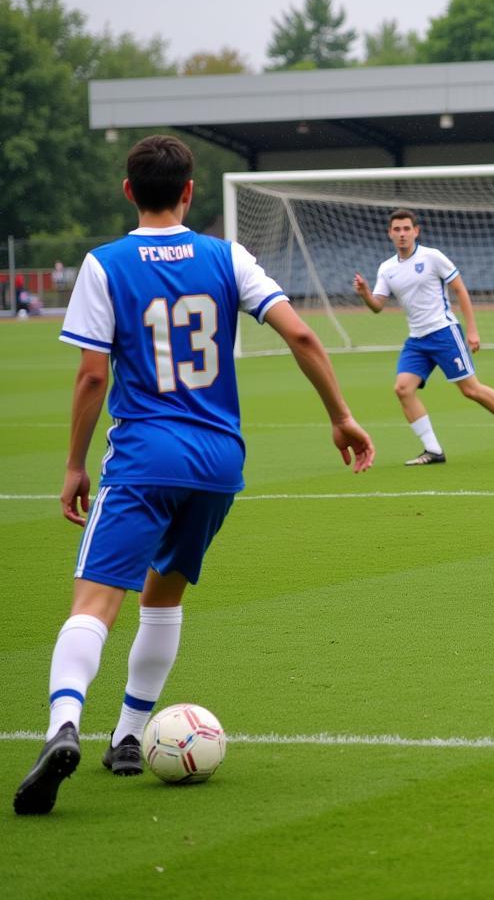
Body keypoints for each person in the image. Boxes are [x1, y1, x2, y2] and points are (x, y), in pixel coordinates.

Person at [13, 135, 375, 817]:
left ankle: (64, 723)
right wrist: (342, 416)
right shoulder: (225, 255)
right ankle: (126, 735)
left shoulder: (105, 264)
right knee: (164, 596)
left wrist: (72, 465)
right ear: (189, 192)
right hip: (219, 461)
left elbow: (93, 374)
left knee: (95, 605)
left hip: (145, 457)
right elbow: (300, 334)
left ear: (127, 191)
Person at [353, 209, 494, 465]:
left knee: (471, 390)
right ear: (390, 233)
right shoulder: (387, 268)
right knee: (403, 389)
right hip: (417, 340)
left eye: (407, 228)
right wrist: (364, 294)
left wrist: (472, 330)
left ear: (416, 231)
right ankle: (433, 450)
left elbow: (460, 289)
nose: (402, 234)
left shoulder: (432, 257)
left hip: (444, 333)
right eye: (397, 229)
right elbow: (377, 306)